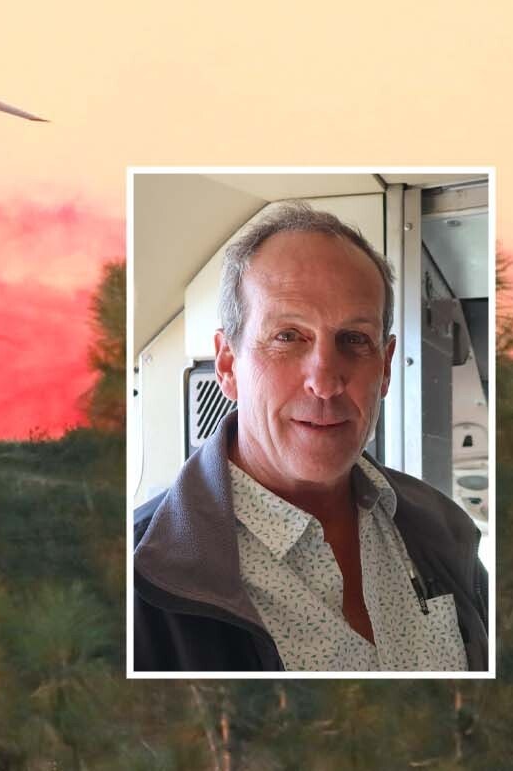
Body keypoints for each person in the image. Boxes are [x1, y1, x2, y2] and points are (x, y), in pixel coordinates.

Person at [132, 203, 488, 672]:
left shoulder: (444, 528)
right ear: (227, 364)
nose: (325, 381)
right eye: (288, 336)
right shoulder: (137, 585)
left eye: (354, 340)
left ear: (385, 366)